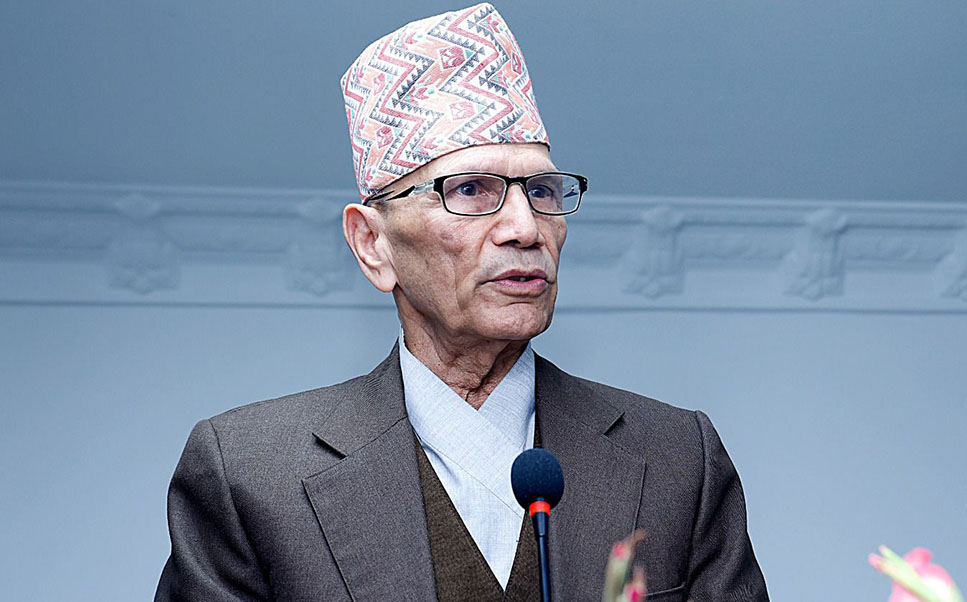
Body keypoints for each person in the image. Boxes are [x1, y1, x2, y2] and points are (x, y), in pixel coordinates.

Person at [154, 4, 768, 601]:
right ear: (373, 244)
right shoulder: (251, 472)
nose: (525, 228)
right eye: (471, 189)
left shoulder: (676, 457)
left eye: (542, 191)